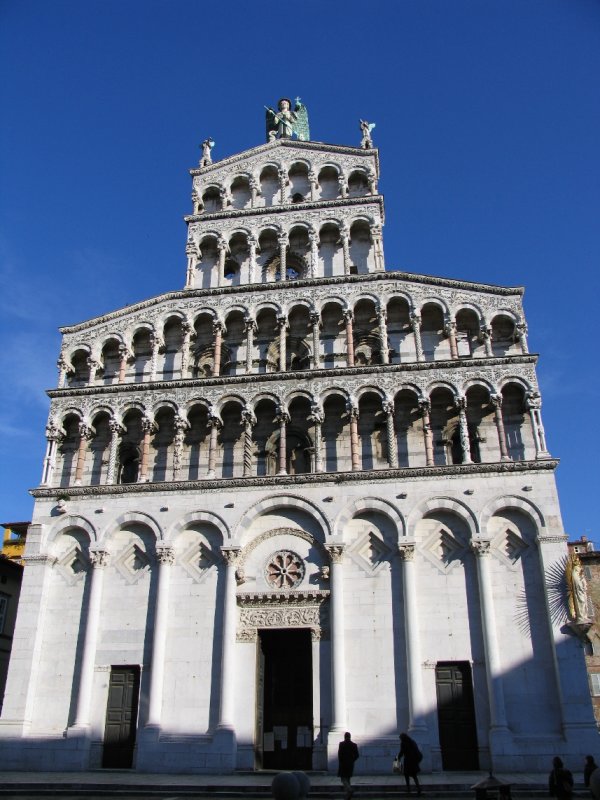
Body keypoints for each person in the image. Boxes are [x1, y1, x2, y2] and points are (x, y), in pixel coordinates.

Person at [338, 731, 359, 800]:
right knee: (348, 778)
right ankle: (348, 796)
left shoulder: (341, 744)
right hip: (350, 764)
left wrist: (341, 762)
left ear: (344, 737)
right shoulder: (354, 745)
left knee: (343, 779)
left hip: (343, 764)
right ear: (350, 737)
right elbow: (357, 755)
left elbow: (339, 755)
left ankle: (349, 790)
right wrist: (352, 760)